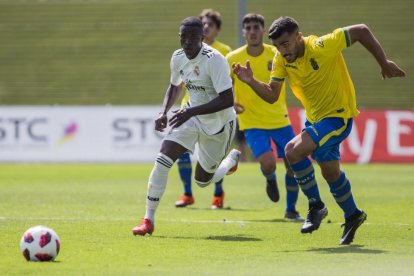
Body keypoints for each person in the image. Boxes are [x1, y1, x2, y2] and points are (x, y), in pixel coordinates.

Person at [233, 16, 405, 245]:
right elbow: (272, 95)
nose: (282, 51)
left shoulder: (322, 45)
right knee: (330, 172)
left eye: (286, 44)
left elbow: (362, 30)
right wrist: (251, 81)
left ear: (299, 36)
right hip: (315, 121)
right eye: (277, 46)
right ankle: (353, 214)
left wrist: (383, 62)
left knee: (292, 151)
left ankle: (316, 205)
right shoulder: (281, 59)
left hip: (338, 116)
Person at [132, 16, 241, 236]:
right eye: (183, 37)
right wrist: (163, 112)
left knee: (202, 181)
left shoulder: (215, 59)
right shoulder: (178, 57)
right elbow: (174, 87)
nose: (187, 41)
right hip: (191, 116)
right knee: (163, 158)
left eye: (193, 37)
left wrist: (190, 111)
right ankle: (148, 220)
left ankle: (229, 163)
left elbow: (227, 99)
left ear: (202, 38)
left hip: (219, 124)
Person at [226, 13, 303, 221]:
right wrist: (231, 102)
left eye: (256, 28)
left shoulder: (277, 53)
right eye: (248, 28)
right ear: (244, 32)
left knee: (293, 164)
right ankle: (270, 179)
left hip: (279, 119)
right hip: (251, 122)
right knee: (268, 163)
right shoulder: (232, 59)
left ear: (263, 30)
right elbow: (223, 87)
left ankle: (291, 209)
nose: (252, 31)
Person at [175, 9, 233, 209]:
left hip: (213, 111)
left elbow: (230, 83)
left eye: (210, 24)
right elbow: (180, 82)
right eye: (203, 23)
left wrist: (238, 102)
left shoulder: (224, 51)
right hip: (189, 107)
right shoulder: (187, 52)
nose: (206, 26)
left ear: (217, 30)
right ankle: (187, 194)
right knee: (180, 149)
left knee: (209, 157)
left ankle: (218, 194)